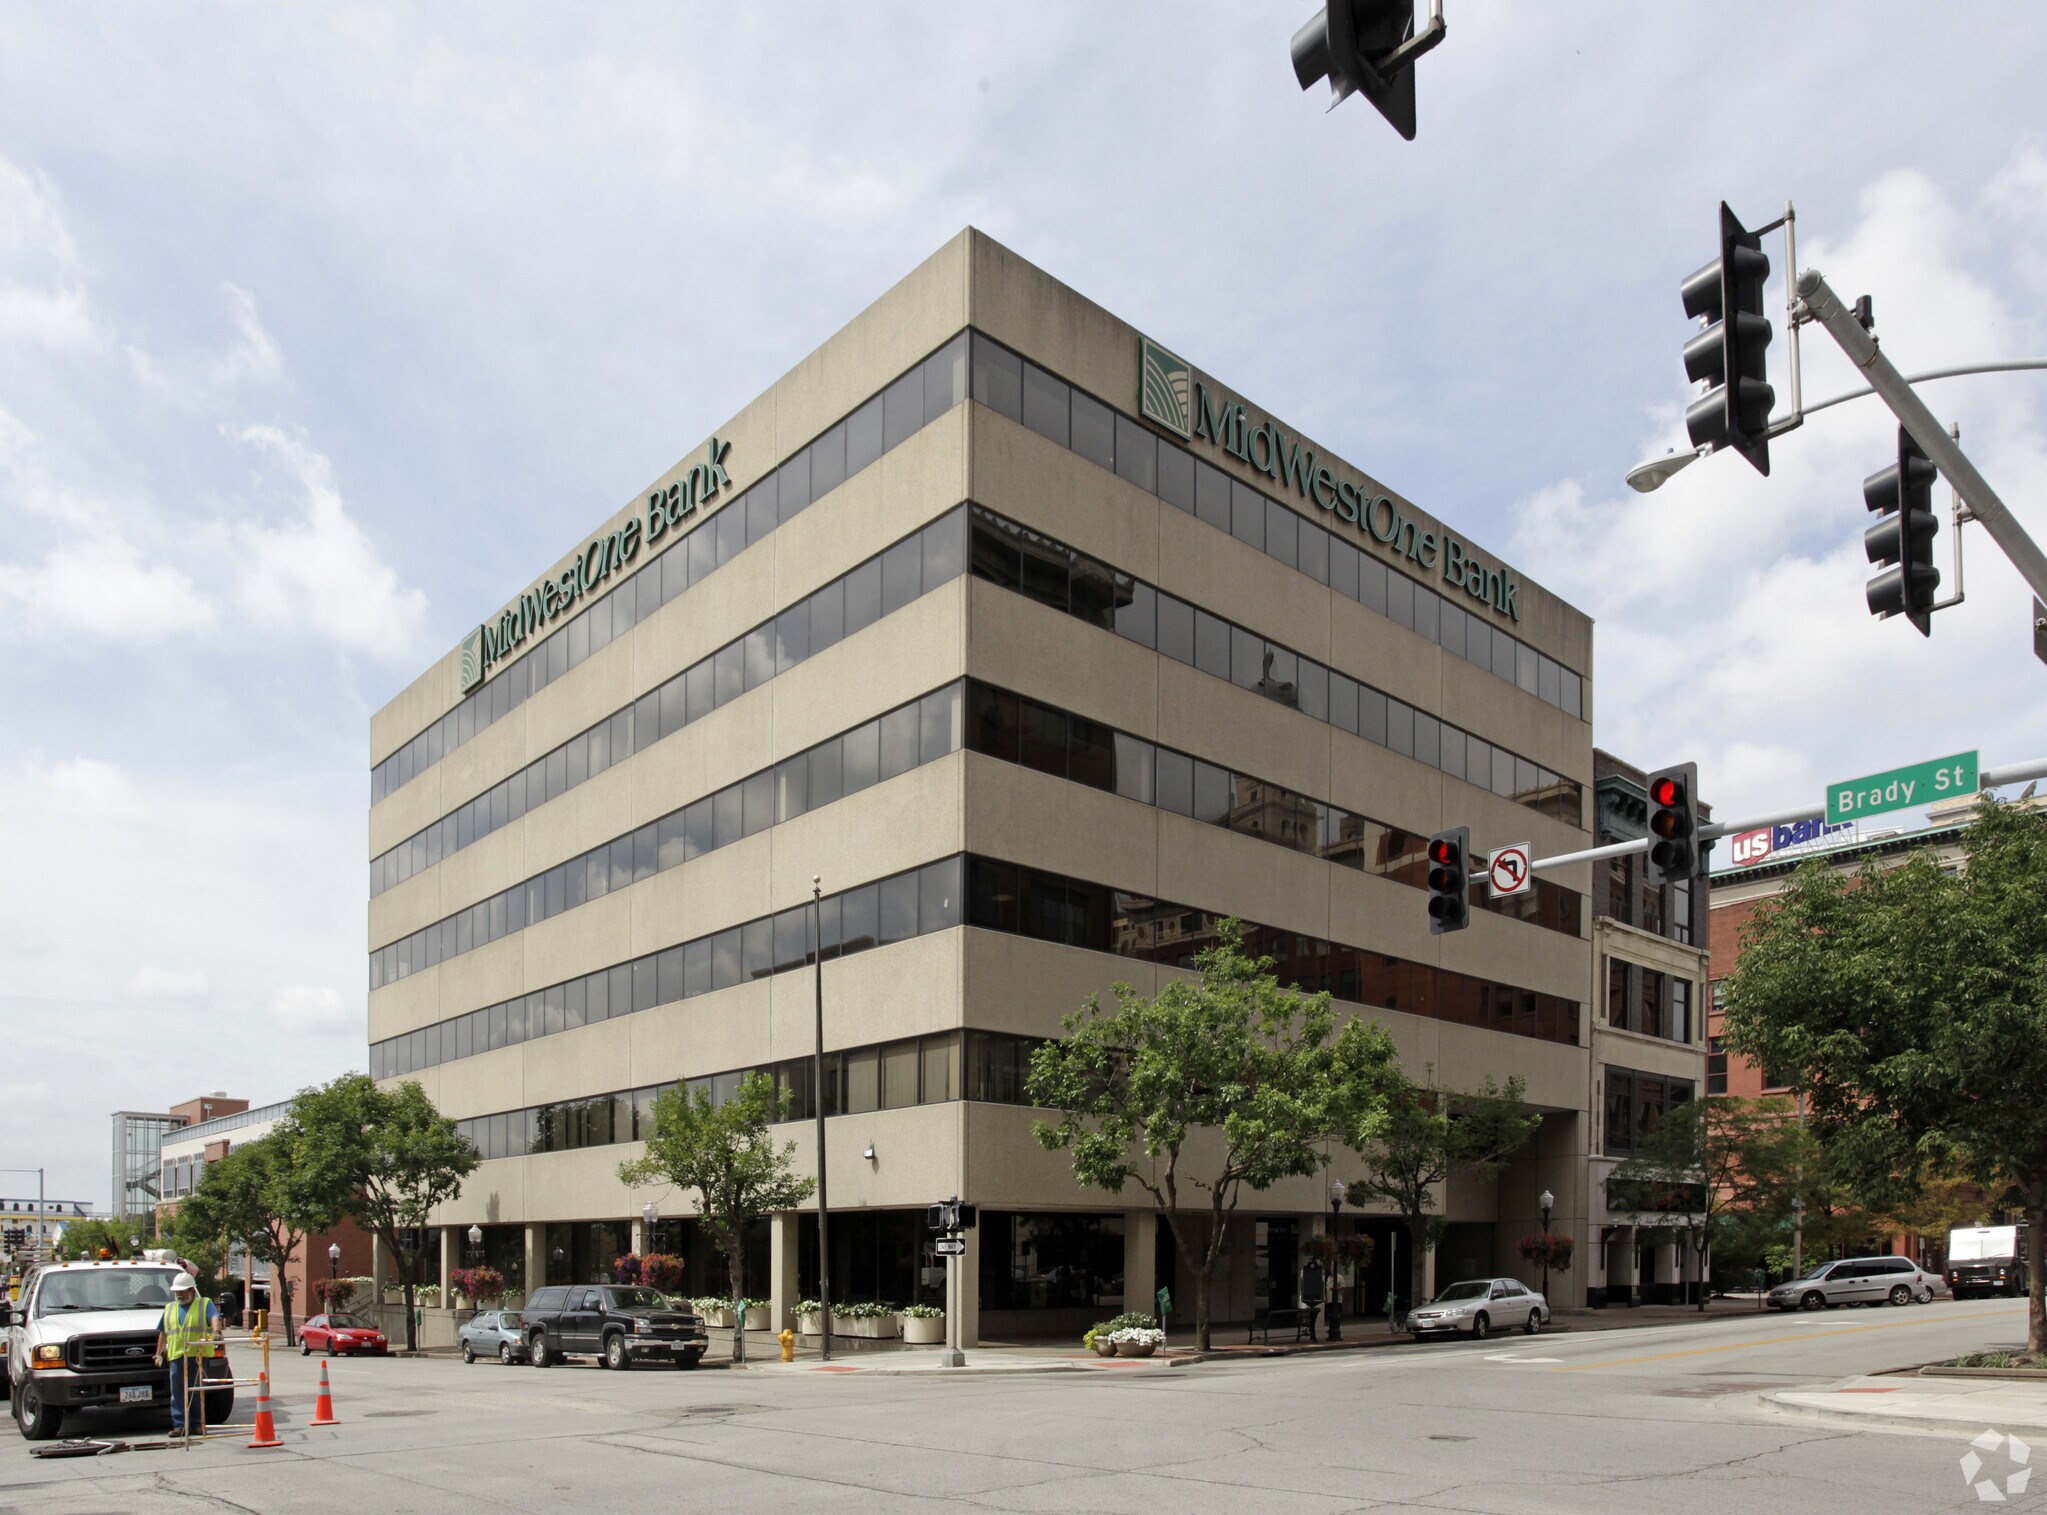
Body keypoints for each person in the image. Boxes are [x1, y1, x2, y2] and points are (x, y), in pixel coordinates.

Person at [153, 1273, 221, 1437]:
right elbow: (164, 1333)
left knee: (196, 1390)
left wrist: (217, 1332)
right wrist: (159, 1354)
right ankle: (180, 1426)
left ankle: (197, 1424)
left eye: (182, 1291)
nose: (179, 1294)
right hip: (177, 1356)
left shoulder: (204, 1303)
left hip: (198, 1355)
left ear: (191, 1290)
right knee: (177, 1393)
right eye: (176, 1291)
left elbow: (214, 1317)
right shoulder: (170, 1308)